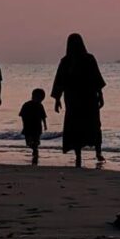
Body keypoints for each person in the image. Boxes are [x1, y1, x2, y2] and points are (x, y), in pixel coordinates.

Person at [50, 33, 106, 167]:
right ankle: (98, 152)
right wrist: (100, 95)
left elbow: (59, 82)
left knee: (75, 126)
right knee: (93, 125)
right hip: (88, 98)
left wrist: (57, 99)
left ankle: (78, 155)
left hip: (74, 99)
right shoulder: (88, 59)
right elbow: (96, 79)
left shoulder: (66, 61)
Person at [19, 88, 49, 162]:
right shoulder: (26, 104)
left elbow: (43, 116)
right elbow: (22, 115)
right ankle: (34, 147)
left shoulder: (40, 106)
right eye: (38, 97)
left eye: (41, 98)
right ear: (33, 96)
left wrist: (45, 125)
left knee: (36, 139)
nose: (39, 99)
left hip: (37, 126)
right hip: (28, 126)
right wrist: (24, 123)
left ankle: (35, 148)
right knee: (28, 141)